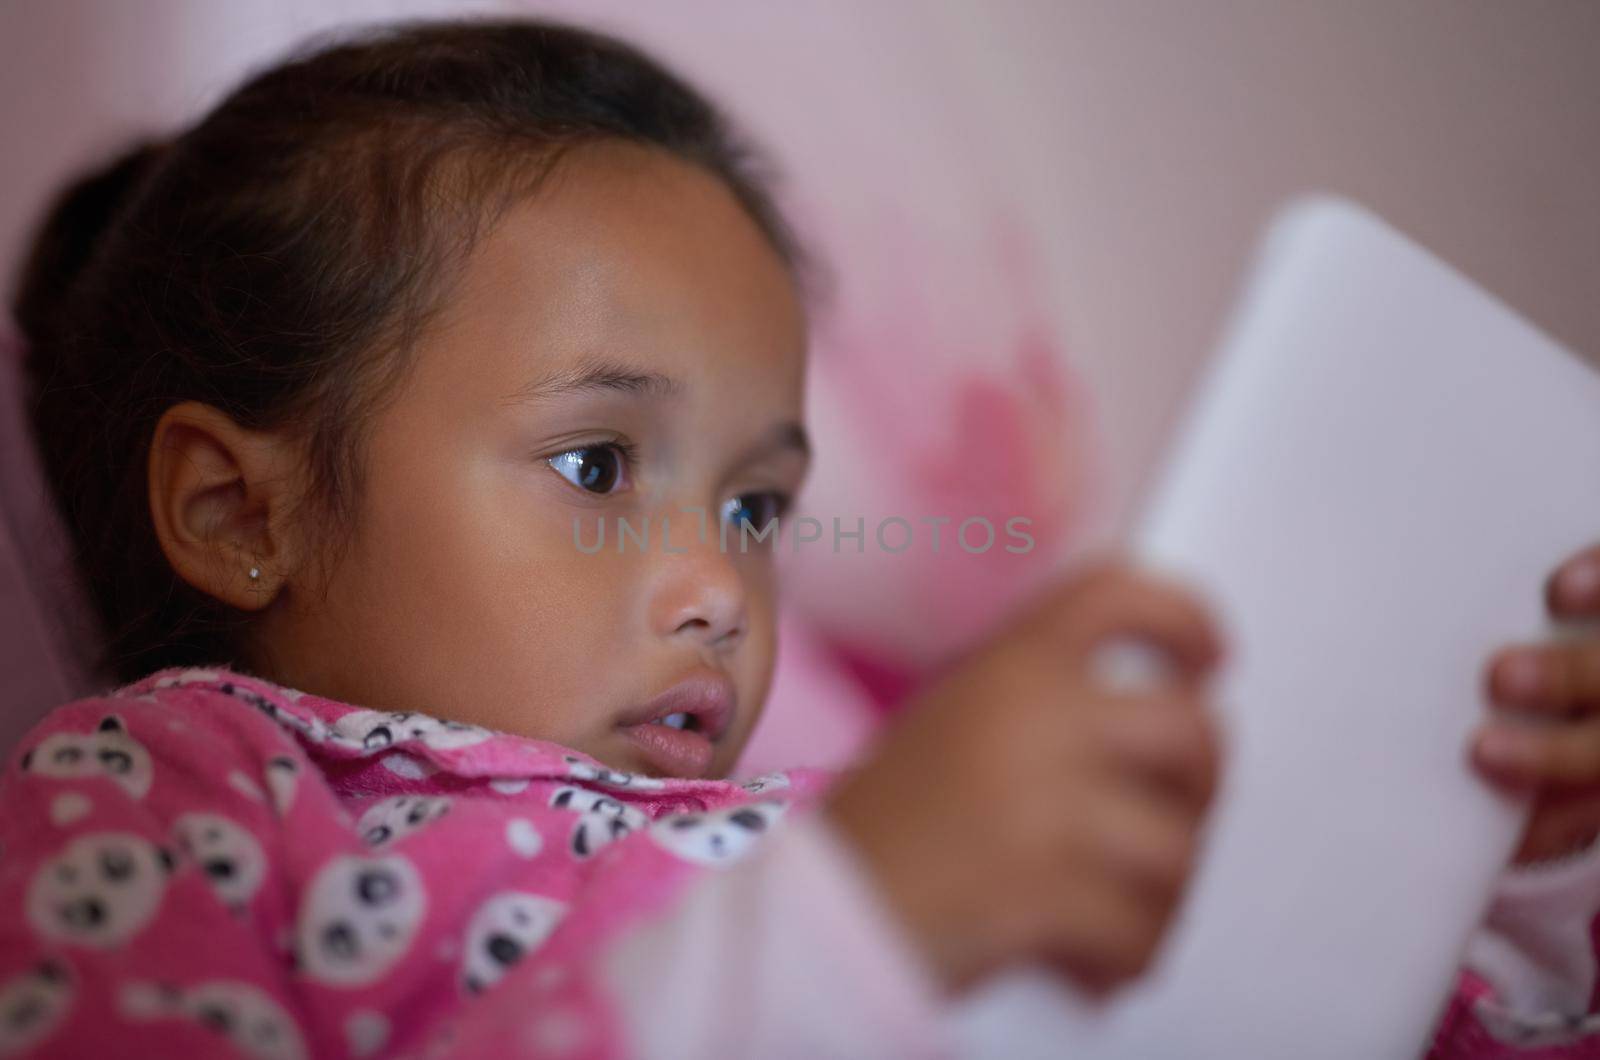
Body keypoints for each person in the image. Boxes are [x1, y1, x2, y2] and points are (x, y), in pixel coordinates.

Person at [1, 15, 1596, 1059]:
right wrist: (862, 920)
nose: (719, 586)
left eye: (757, 506)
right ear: (240, 512)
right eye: (597, 461)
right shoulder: (178, 786)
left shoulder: (831, 803)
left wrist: (1488, 870)